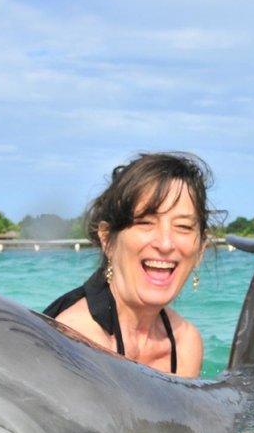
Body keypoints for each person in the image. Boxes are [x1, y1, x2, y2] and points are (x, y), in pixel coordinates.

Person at [43, 152, 213, 378]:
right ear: (107, 239)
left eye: (183, 226)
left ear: (201, 249)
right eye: (145, 222)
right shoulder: (76, 338)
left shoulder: (185, 344)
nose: (165, 243)